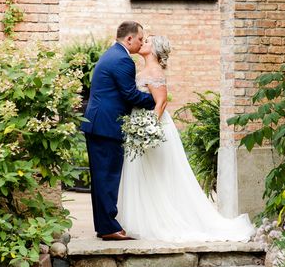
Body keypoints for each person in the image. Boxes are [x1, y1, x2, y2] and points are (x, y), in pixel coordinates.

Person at [117, 35, 256, 242]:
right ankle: (145, 219)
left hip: (151, 126)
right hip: (139, 124)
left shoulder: (155, 72)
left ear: (155, 49)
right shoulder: (144, 70)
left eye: (147, 41)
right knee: (144, 174)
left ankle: (162, 220)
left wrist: (149, 128)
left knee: (158, 175)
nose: (143, 42)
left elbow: (161, 102)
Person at [81, 21, 156, 241]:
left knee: (100, 177)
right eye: (140, 39)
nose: (141, 43)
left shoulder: (111, 54)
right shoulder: (123, 59)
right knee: (108, 177)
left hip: (98, 124)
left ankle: (104, 226)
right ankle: (108, 228)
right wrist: (155, 100)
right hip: (107, 126)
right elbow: (130, 95)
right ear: (129, 38)